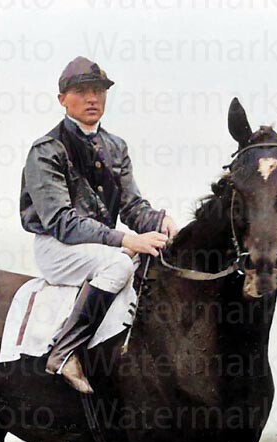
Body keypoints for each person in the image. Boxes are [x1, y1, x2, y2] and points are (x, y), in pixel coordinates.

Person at [19, 56, 176, 394]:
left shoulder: (116, 146)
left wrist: (162, 222)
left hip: (102, 245)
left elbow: (131, 206)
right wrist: (125, 240)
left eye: (99, 91)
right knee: (119, 265)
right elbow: (61, 222)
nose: (92, 98)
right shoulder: (46, 150)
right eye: (82, 91)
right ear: (62, 99)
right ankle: (64, 352)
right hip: (59, 246)